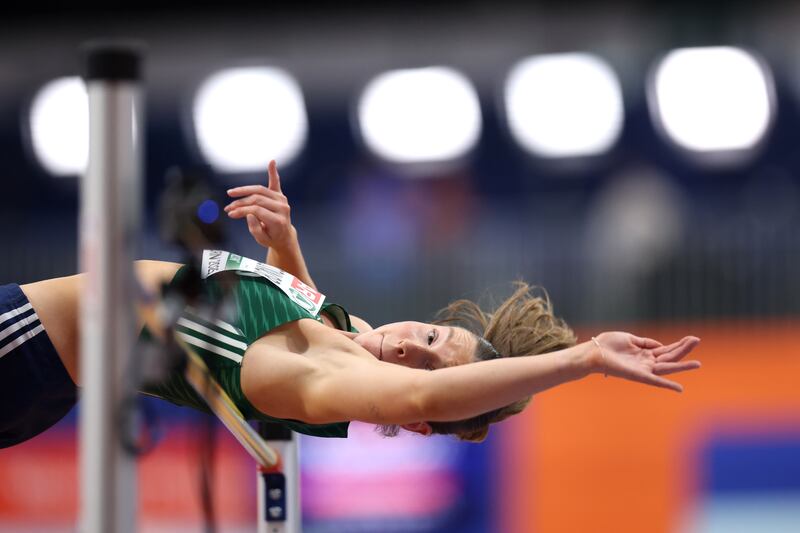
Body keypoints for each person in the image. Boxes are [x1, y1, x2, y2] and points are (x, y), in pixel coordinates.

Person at [1, 161, 701, 448]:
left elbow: (426, 392)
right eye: (428, 333)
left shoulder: (326, 383)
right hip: (50, 375)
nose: (404, 344)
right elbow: (298, 316)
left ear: (418, 411)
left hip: (30, 339)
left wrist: (583, 358)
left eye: (420, 369)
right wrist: (286, 241)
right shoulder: (344, 335)